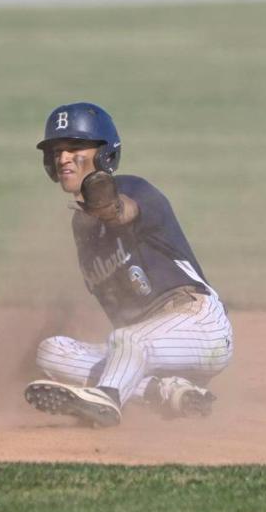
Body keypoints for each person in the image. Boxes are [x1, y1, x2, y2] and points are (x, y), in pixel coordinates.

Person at [24, 102, 233, 427]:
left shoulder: (134, 188)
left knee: (126, 339)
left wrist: (104, 201)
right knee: (52, 351)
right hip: (152, 349)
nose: (63, 158)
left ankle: (106, 401)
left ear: (105, 153)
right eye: (56, 150)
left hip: (198, 324)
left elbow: (120, 210)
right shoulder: (81, 228)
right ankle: (165, 392)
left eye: (76, 147)